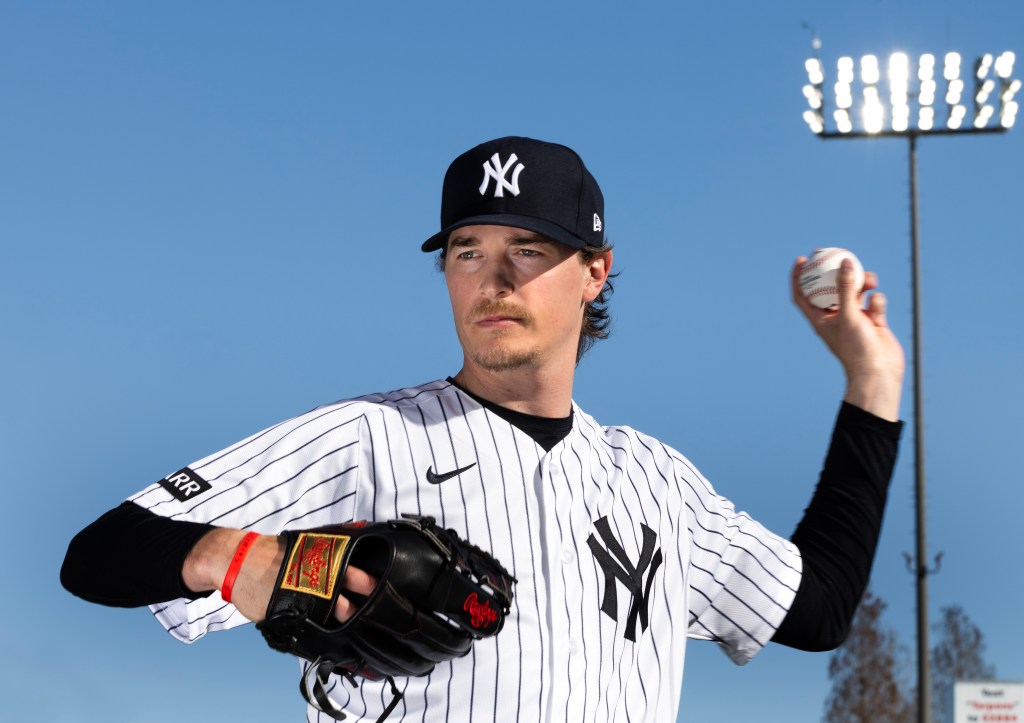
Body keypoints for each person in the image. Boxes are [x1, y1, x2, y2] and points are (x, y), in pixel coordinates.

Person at [62, 135, 905, 722]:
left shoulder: (656, 482)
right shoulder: (366, 438)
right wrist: (243, 557)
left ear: (596, 273)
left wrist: (874, 381)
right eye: (468, 250)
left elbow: (819, 607)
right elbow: (100, 549)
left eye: (529, 249)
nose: (493, 279)